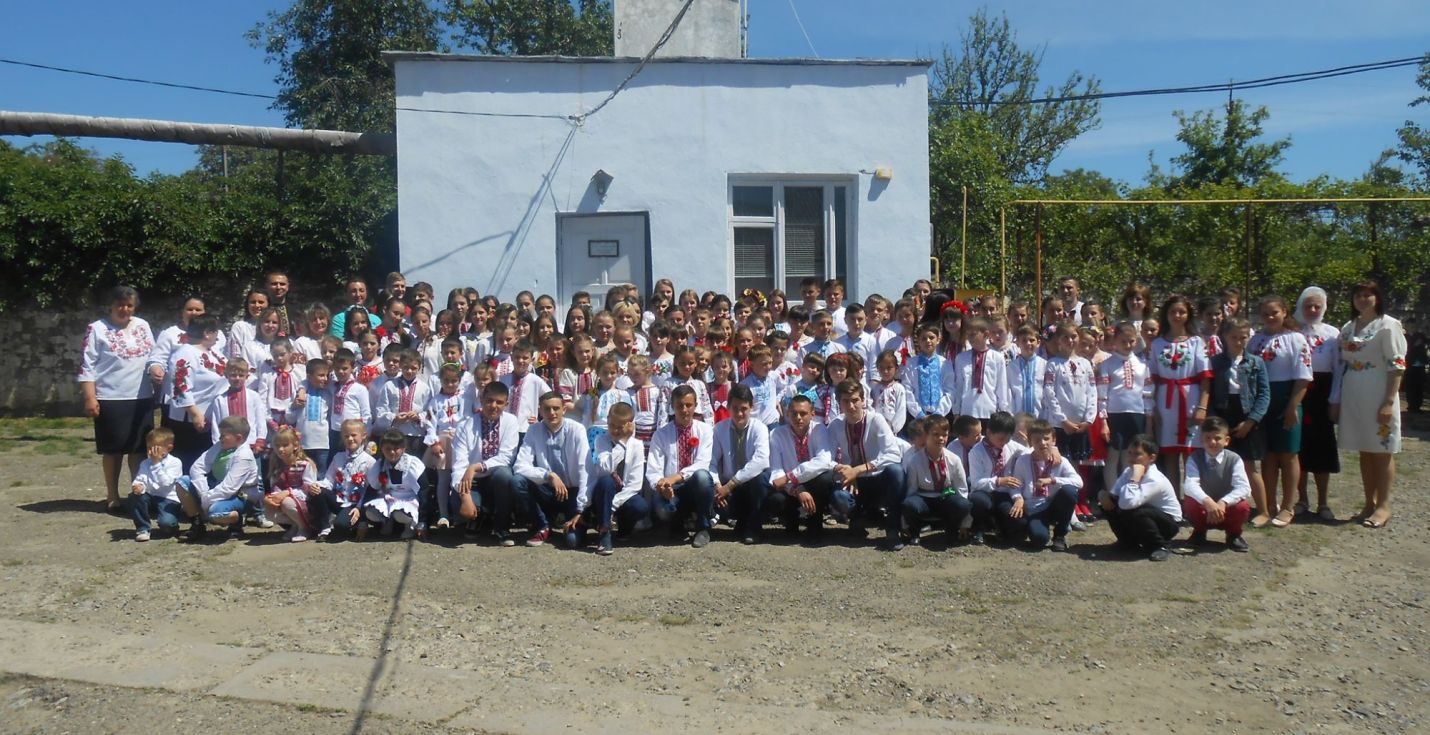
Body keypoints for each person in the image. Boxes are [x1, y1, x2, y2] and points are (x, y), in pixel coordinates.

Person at [1334, 280, 1407, 529]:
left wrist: (1388, 402)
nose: (1363, 299)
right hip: (1354, 393)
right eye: (1358, 295)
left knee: (1382, 450)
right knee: (1364, 449)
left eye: (1368, 295)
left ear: (1377, 298)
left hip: (1379, 391)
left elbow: (1397, 366)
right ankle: (1369, 502)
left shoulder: (1388, 325)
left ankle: (1383, 505)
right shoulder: (1348, 327)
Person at [78, 285, 157, 511]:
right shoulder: (97, 329)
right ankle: (112, 495)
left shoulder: (142, 325)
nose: (125, 309)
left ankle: (138, 494)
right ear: (111, 306)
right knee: (113, 450)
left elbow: (154, 356)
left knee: (139, 449)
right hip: (110, 397)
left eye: (129, 305)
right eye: (120, 305)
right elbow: (87, 365)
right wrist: (90, 397)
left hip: (141, 396)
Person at [1247, 295, 1312, 528]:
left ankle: (1287, 506)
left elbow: (1303, 376)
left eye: (1274, 312)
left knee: (1288, 454)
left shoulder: (1296, 339)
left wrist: (1292, 406)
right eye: (1265, 314)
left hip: (1286, 399)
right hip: (1261, 401)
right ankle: (1268, 505)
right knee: (1268, 455)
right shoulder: (1255, 341)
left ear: (1284, 312)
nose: (1270, 317)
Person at [826, 379, 906, 550]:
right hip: (853, 482)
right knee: (838, 497)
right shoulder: (835, 425)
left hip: (877, 478)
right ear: (839, 403)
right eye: (845, 401)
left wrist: (859, 469)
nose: (851, 406)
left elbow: (893, 453)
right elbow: (826, 458)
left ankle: (893, 528)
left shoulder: (876, 419)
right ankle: (858, 518)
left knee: (896, 471)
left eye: (855, 400)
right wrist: (845, 470)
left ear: (863, 400)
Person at [1208, 318, 1271, 528]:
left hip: (1247, 417)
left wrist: (1251, 421)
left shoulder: (1256, 362)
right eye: (1233, 337)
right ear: (1224, 337)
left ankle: (1263, 511)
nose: (1238, 341)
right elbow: (1209, 393)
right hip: (1223, 416)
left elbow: (1264, 394)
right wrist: (1215, 422)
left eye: (1243, 337)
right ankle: (1220, 508)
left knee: (1249, 466)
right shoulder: (1215, 362)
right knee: (1220, 465)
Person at [1147, 295, 1212, 491]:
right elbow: (1152, 378)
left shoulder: (1196, 342)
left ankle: (1193, 498)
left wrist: (1202, 407)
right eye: (1173, 312)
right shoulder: (1157, 344)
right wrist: (1153, 408)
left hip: (1190, 399)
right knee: (1170, 454)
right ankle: (1174, 499)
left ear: (1188, 315)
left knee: (1191, 454)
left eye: (1181, 312)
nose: (1177, 316)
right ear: (1166, 315)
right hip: (1165, 402)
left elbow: (1205, 377)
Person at [448, 381, 523, 542]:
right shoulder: (465, 425)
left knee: (504, 475)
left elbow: (506, 457)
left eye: (499, 402)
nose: (493, 406)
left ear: (506, 404)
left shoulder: (510, 421)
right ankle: (477, 518)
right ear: (481, 400)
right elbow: (459, 464)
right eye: (489, 400)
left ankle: (502, 525)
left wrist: (476, 467)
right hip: (473, 481)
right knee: (458, 500)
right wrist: (465, 497)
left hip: (495, 478)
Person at [514, 391, 590, 548]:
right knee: (517, 481)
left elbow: (585, 468)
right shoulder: (533, 430)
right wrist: (548, 475)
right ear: (540, 411)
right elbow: (520, 466)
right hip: (547, 491)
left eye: (556, 408)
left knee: (572, 542)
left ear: (564, 409)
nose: (552, 413)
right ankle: (542, 525)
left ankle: (569, 521)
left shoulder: (577, 429)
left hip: (572, 492)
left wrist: (580, 509)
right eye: (547, 409)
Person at [646, 385, 717, 547]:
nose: (684, 410)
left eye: (688, 405)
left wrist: (676, 477)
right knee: (663, 509)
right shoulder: (661, 434)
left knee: (703, 477)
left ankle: (703, 527)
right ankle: (677, 525)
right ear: (672, 407)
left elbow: (703, 463)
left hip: (694, 486)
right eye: (679, 405)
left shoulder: (705, 430)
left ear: (695, 406)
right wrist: (661, 485)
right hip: (672, 489)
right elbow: (653, 469)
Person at [1293, 287, 1342, 520]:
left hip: (1323, 395)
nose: (1312, 310)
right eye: (1308, 306)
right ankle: (1301, 499)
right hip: (1298, 393)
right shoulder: (1292, 331)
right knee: (1298, 448)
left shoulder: (1333, 334)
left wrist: (1335, 400)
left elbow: (1339, 369)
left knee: (1323, 449)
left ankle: (1323, 503)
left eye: (1317, 306)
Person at [768, 395, 837, 542]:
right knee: (776, 498)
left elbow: (824, 461)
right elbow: (776, 471)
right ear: (787, 414)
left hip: (811, 483)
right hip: (790, 488)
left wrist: (791, 476)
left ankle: (815, 522)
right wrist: (798, 489)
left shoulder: (819, 429)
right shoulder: (777, 434)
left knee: (825, 478)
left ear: (812, 414)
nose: (798, 418)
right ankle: (791, 521)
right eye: (794, 413)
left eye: (803, 413)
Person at [1101, 435, 1181, 561]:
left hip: (1168, 523)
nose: (1131, 458)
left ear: (1152, 458)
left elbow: (1127, 503)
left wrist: (1134, 479)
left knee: (1136, 512)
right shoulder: (1128, 471)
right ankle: (1128, 542)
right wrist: (1104, 496)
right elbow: (1115, 495)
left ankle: (1160, 546)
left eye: (1137, 454)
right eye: (1130, 453)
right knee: (1108, 503)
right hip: (1145, 513)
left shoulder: (1155, 479)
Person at [1005, 419, 1080, 552]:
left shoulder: (1061, 461)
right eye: (1037, 440)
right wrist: (1018, 498)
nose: (1043, 443)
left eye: (1046, 439)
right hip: (1034, 509)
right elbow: (1016, 485)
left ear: (1053, 440)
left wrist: (1053, 480)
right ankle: (1031, 527)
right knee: (1039, 540)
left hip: (1054, 505)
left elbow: (1079, 482)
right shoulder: (1023, 460)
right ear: (1030, 442)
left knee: (1069, 491)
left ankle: (1060, 535)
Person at [711, 385, 773, 544]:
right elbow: (711, 461)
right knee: (712, 495)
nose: (739, 413)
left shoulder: (759, 428)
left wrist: (731, 484)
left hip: (750, 484)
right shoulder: (719, 429)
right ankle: (740, 522)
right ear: (728, 407)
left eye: (744, 409)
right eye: (735, 408)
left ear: (751, 407)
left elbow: (761, 460)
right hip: (728, 486)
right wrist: (717, 485)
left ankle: (754, 526)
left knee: (761, 477)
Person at [582, 403, 647, 555]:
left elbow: (635, 485)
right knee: (606, 481)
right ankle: (604, 532)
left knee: (640, 506)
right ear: (607, 420)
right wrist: (622, 443)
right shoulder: (601, 440)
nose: (615, 431)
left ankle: (624, 529)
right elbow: (606, 468)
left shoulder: (637, 445)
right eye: (612, 425)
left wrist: (612, 506)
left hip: (622, 494)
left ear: (630, 425)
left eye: (620, 427)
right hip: (604, 492)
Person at [167, 315, 229, 470]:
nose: (218, 335)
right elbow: (180, 387)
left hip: (212, 418)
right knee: (190, 464)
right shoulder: (185, 353)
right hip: (191, 422)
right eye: (216, 331)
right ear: (207, 333)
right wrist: (195, 413)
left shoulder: (214, 352)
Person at [1097, 322, 1152, 497]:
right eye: (1123, 341)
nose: (1128, 345)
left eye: (1131, 341)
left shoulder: (1143, 364)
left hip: (1137, 414)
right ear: (1115, 341)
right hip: (1114, 415)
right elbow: (1102, 394)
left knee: (1132, 455)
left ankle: (1130, 492)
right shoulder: (1107, 364)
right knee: (1113, 456)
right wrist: (1103, 421)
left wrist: (1149, 418)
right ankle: (1113, 494)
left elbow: (1148, 393)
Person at [1181, 418, 1253, 552]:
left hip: (1226, 508)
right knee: (1190, 502)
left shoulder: (1234, 459)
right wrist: (1208, 502)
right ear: (1201, 440)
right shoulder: (1194, 458)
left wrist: (1223, 502)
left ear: (1226, 440)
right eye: (1207, 438)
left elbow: (1244, 488)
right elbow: (1190, 485)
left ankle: (1233, 535)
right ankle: (1199, 532)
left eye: (1217, 438)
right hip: (1205, 508)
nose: (1212, 442)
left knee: (1242, 506)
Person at [900, 415, 972, 549]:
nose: (941, 438)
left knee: (963, 504)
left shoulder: (954, 459)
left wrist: (965, 524)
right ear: (926, 435)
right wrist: (904, 522)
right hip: (924, 499)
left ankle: (952, 530)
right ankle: (914, 531)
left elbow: (962, 490)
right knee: (910, 504)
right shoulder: (914, 461)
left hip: (946, 496)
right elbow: (911, 491)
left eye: (944, 435)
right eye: (935, 434)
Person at [186, 416, 262, 541]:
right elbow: (197, 468)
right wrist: (203, 491)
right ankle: (197, 524)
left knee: (215, 512)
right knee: (183, 482)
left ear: (238, 438)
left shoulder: (244, 456)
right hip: (217, 490)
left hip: (241, 495)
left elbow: (229, 488)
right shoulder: (219, 446)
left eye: (223, 435)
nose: (220, 438)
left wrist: (206, 500)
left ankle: (236, 522)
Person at [967, 411, 1026, 545]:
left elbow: (1030, 453)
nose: (1004, 442)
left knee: (1017, 520)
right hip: (984, 492)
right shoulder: (976, 451)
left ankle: (998, 525)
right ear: (989, 432)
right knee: (980, 502)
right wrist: (998, 481)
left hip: (1003, 493)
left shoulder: (1011, 446)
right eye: (1001, 439)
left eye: (1008, 439)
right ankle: (978, 529)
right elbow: (976, 482)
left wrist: (1030, 444)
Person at [311, 419, 374, 540]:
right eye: (346, 436)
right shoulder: (338, 457)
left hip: (355, 504)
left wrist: (359, 509)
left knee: (341, 527)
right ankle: (325, 527)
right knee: (318, 491)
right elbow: (328, 481)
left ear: (363, 436)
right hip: (339, 500)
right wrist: (316, 485)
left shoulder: (369, 461)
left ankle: (358, 522)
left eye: (354, 435)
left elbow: (369, 490)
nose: (350, 439)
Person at [363, 429, 426, 540]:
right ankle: (387, 521)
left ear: (404, 448)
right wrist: (362, 520)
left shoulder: (413, 464)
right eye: (388, 449)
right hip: (389, 498)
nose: (392, 452)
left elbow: (424, 491)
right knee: (371, 512)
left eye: (396, 448)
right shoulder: (379, 466)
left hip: (409, 498)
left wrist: (422, 520)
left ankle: (410, 525)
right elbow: (371, 489)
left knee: (399, 513)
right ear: (382, 449)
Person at [128, 427, 188, 541]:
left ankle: (172, 524)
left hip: (168, 499)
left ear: (169, 448)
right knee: (135, 497)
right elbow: (141, 478)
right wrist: (139, 486)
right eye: (148, 448)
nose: (151, 451)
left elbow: (166, 483)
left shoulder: (175, 463)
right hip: (151, 496)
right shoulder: (145, 463)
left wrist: (156, 464)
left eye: (155, 448)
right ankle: (143, 528)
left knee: (167, 525)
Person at [949, 317, 1011, 419]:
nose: (970, 338)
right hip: (967, 412)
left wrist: (1003, 410)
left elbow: (1002, 386)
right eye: (968, 334)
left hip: (990, 412)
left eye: (973, 334)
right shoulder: (961, 358)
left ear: (986, 334)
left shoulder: (997, 358)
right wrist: (956, 411)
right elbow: (959, 386)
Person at [264, 427, 318, 542]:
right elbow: (275, 487)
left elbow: (308, 488)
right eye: (277, 446)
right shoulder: (276, 466)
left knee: (286, 502)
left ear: (295, 446)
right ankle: (296, 525)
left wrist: (288, 492)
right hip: (285, 500)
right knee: (268, 511)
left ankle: (305, 528)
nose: (280, 449)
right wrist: (272, 498)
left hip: (306, 502)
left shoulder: (305, 464)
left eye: (285, 445)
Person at [900, 322, 953, 421]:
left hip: (940, 416)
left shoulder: (945, 363)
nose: (928, 341)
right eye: (923, 339)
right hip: (917, 416)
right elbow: (907, 389)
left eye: (931, 338)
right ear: (918, 341)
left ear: (938, 340)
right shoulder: (911, 363)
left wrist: (939, 413)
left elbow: (949, 390)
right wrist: (918, 413)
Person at [1008, 325, 1047, 417]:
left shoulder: (1045, 365)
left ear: (1038, 343)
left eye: (1032, 340)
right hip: (1018, 417)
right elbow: (1009, 394)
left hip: (1040, 417)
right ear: (1017, 343)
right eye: (1024, 340)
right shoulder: (1011, 367)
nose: (1028, 343)